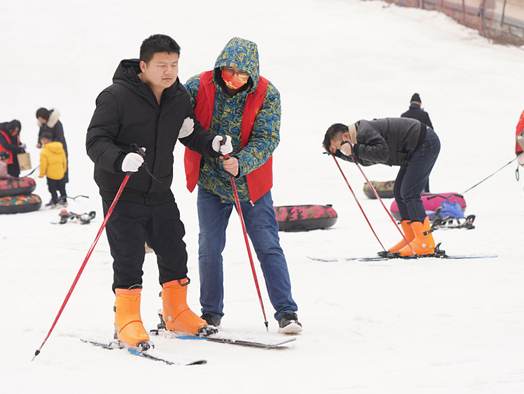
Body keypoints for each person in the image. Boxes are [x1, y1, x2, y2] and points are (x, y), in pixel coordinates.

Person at [86, 34, 231, 349]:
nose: (169, 71)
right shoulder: (115, 97)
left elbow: (189, 132)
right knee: (129, 255)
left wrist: (213, 144)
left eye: (174, 64)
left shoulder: (178, 97)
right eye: (162, 65)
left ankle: (176, 313)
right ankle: (126, 320)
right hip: (122, 190)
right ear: (143, 65)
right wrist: (120, 159)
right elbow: (96, 140)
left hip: (159, 188)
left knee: (174, 249)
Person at [183, 37, 302, 334]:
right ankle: (210, 313)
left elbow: (267, 138)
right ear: (220, 66)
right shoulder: (198, 86)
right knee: (209, 247)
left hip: (251, 186)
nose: (234, 80)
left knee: (267, 245)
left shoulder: (267, 94)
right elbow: (178, 118)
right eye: (229, 72)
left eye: (242, 74)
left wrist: (242, 162)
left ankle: (286, 312)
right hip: (211, 181)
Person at [323, 117, 441, 257]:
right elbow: (367, 159)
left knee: (409, 192)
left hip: (425, 142)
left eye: (340, 147)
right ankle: (412, 238)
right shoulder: (358, 137)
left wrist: (354, 148)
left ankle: (424, 241)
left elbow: (382, 153)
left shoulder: (364, 131)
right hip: (414, 148)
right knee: (399, 192)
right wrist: (339, 154)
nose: (341, 150)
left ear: (346, 136)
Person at [401, 93, 433, 192]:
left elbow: (400, 133)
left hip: (408, 149)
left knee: (407, 170)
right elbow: (431, 131)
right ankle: (425, 191)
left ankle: (406, 190)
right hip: (421, 146)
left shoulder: (404, 115)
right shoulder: (424, 115)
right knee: (423, 170)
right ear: (420, 104)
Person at [36, 107, 69, 183]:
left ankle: (62, 187)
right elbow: (40, 135)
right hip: (48, 150)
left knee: (60, 167)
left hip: (59, 149)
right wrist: (39, 143)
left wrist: (48, 145)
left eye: (41, 119)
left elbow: (59, 137)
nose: (40, 121)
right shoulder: (42, 125)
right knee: (51, 168)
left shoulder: (57, 123)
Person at [39, 132, 67, 208]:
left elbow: (43, 164)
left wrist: (41, 174)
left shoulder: (44, 152)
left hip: (51, 174)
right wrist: (64, 170)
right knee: (62, 188)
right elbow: (64, 160)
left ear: (44, 141)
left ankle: (55, 203)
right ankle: (65, 201)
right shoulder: (60, 148)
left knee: (52, 189)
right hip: (60, 172)